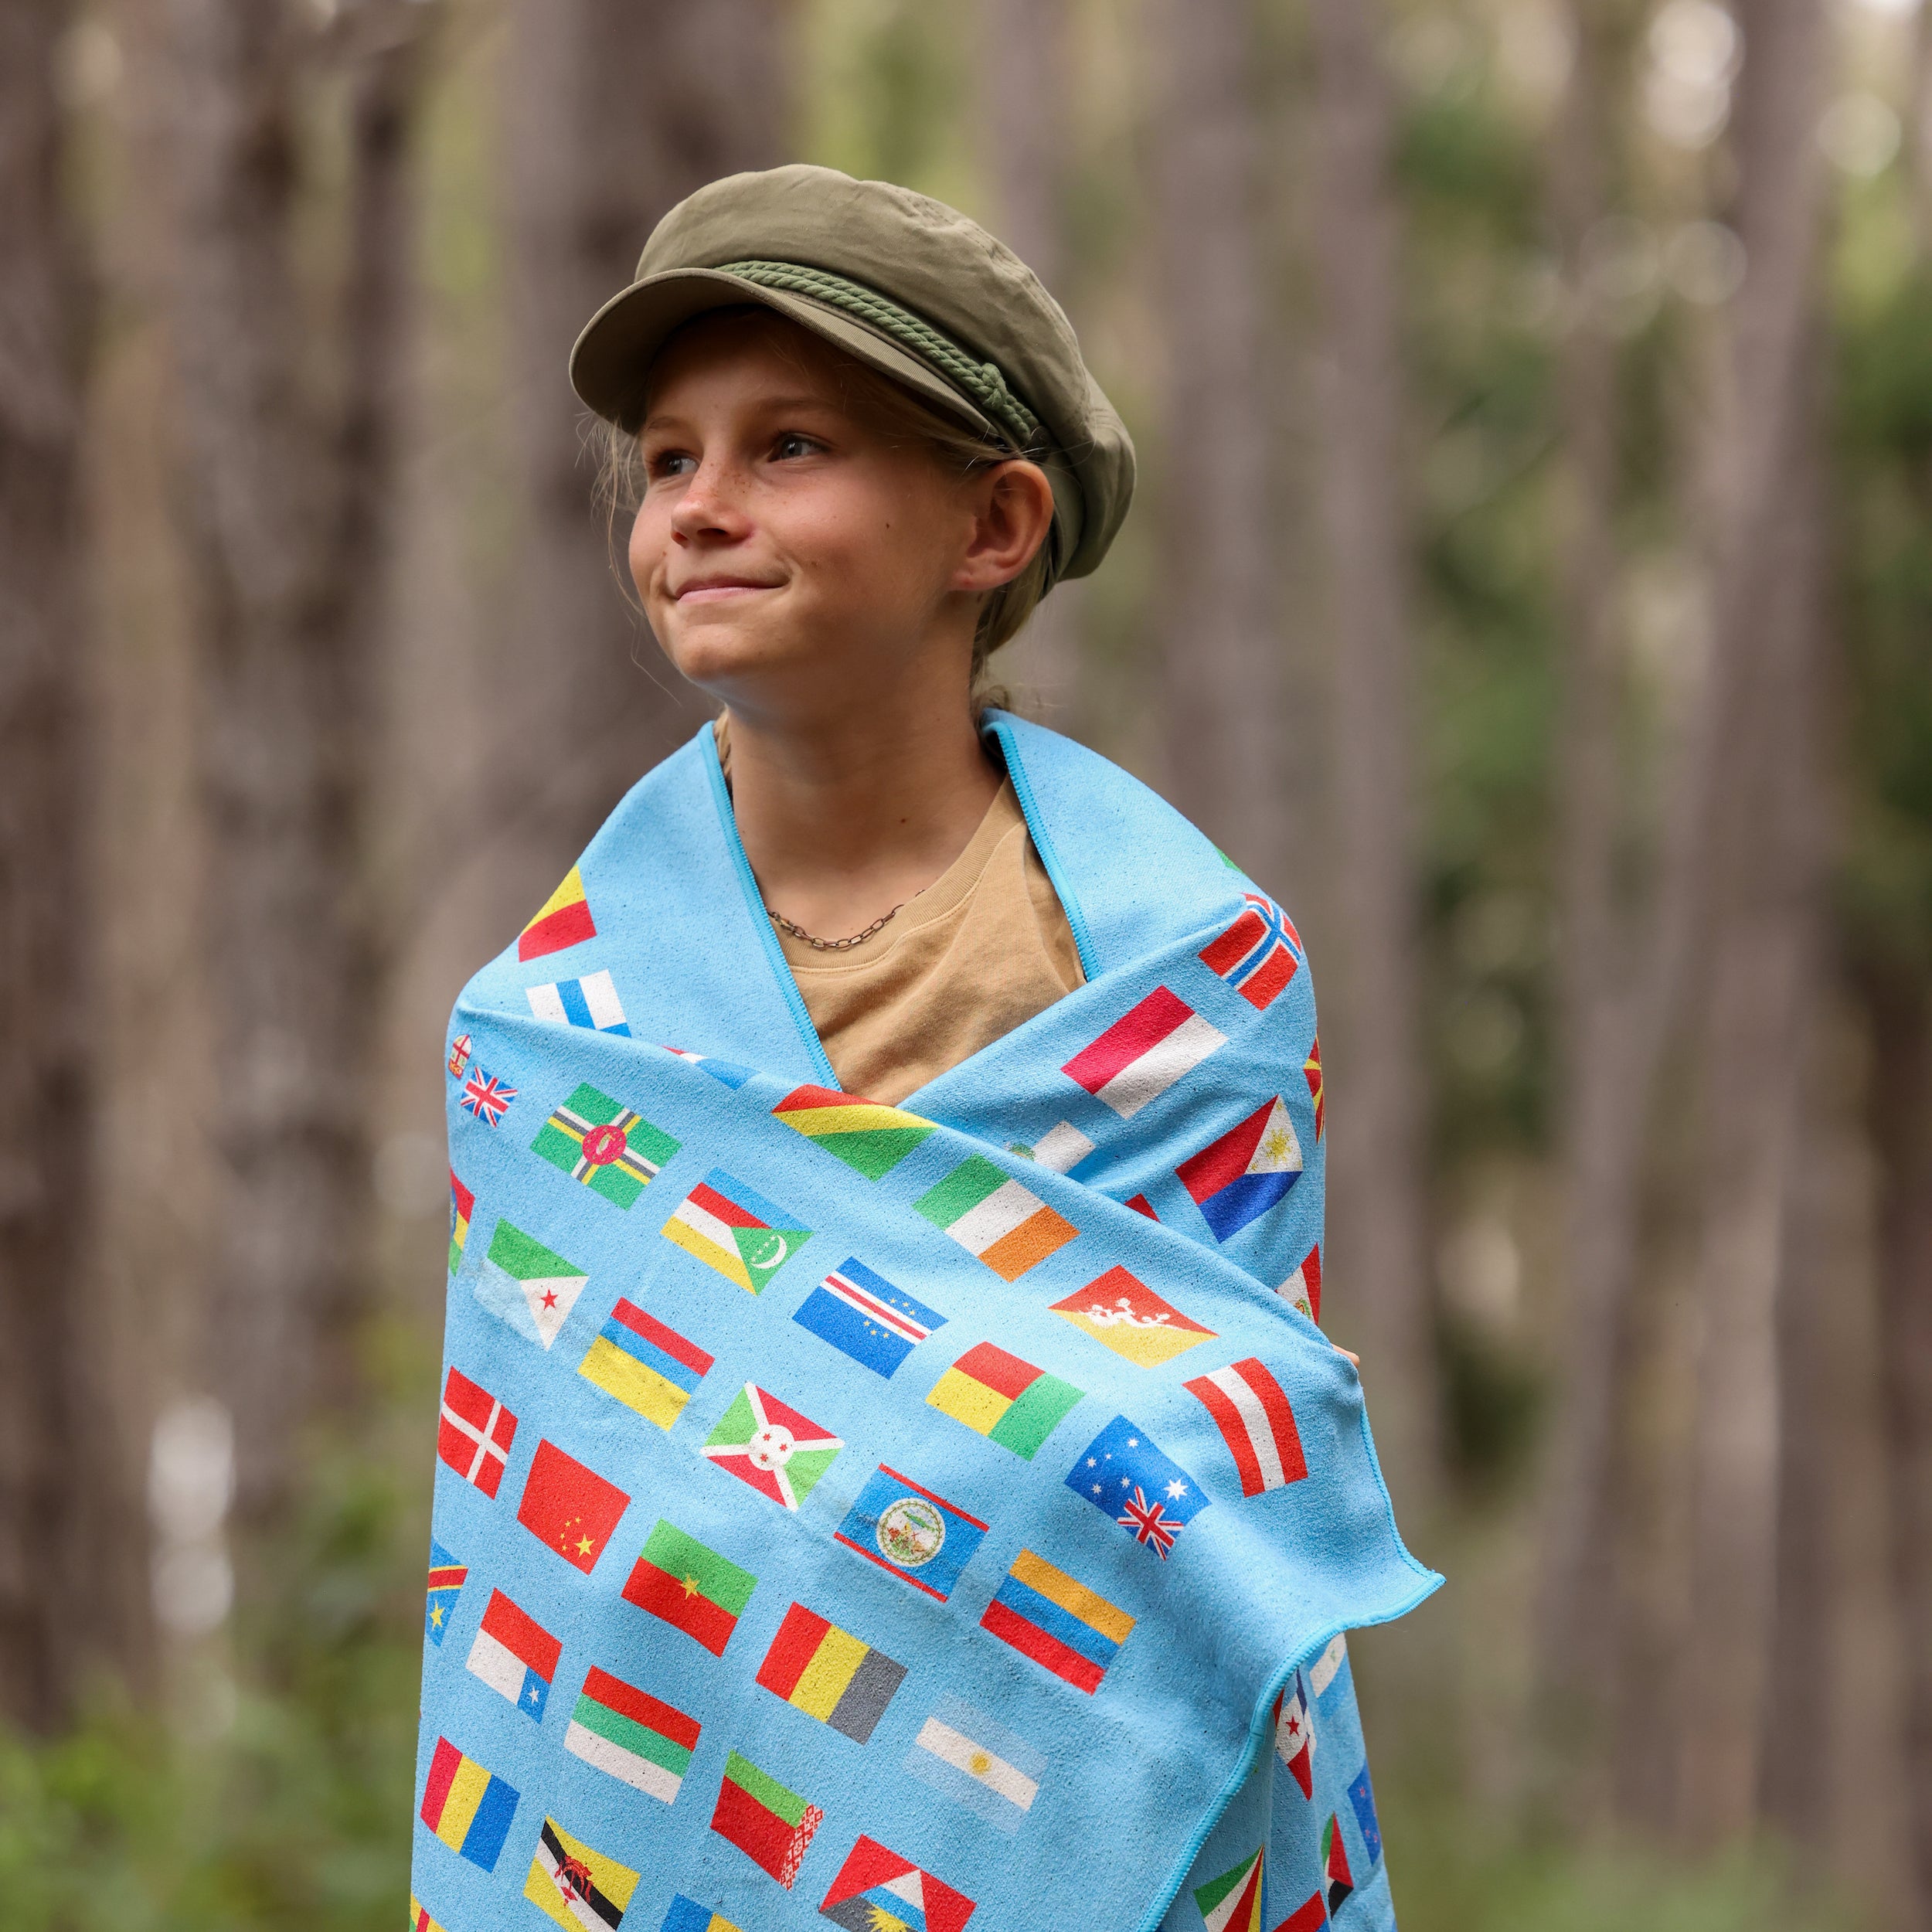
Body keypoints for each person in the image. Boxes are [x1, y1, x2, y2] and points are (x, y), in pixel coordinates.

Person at [414, 165, 1434, 1932]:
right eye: (668, 460)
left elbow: (1198, 1524)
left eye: (789, 446)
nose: (702, 508)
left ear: (993, 524)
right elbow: (541, 1593)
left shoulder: (1180, 991)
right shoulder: (553, 1042)